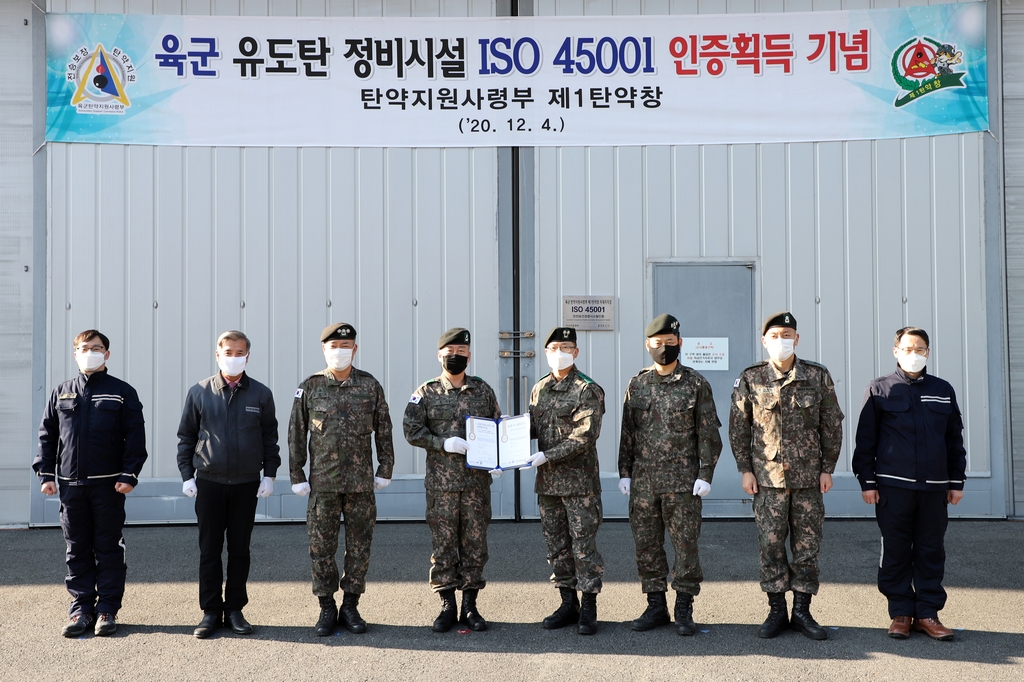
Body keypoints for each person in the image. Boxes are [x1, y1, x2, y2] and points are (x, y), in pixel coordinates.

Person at [729, 312, 844, 640]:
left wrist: (828, 468)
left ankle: (803, 611)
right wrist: (745, 470)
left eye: (788, 334)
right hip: (767, 480)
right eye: (775, 335)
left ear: (797, 339)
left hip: (809, 479)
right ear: (764, 340)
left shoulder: (816, 376)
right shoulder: (751, 378)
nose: (782, 340)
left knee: (807, 546)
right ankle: (777, 609)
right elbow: (740, 427)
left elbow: (831, 424)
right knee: (771, 545)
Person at [852, 327, 966, 641]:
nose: (913, 353)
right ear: (896, 351)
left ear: (927, 352)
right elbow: (866, 441)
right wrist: (867, 481)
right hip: (893, 487)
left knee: (931, 551)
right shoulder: (880, 390)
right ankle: (901, 612)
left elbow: (954, 439)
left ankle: (928, 614)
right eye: (907, 348)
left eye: (920, 348)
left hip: (934, 489)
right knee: (896, 550)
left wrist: (957, 481)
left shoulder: (942, 390)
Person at [34, 330, 148, 637]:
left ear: (107, 354)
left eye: (97, 348)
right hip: (71, 486)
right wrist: (45, 474)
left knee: (108, 547)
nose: (90, 352)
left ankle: (107, 609)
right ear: (75, 353)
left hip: (108, 486)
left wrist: (129, 474)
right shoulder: (62, 393)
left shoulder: (122, 392)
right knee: (77, 548)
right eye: (85, 348)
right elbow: (48, 436)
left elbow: (135, 438)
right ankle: (81, 609)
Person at [618, 314, 722, 636]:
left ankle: (684, 607)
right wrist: (625, 472)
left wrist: (706, 473)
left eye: (670, 342)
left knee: (685, 546)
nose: (664, 348)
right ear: (647, 345)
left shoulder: (695, 384)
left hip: (683, 484)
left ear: (680, 343)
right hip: (645, 484)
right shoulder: (637, 384)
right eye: (657, 343)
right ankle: (655, 605)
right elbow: (628, 433)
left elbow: (708, 434)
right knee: (646, 546)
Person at [288, 323, 395, 637]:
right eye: (334, 345)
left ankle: (350, 604)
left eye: (346, 345)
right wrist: (297, 474)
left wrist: (385, 468)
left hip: (361, 485)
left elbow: (384, 429)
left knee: (359, 549)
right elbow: (296, 433)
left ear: (355, 349)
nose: (340, 350)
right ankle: (326, 606)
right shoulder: (309, 387)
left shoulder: (370, 385)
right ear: (324, 349)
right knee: (321, 549)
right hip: (323, 485)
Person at [177, 330, 280, 639]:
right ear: (217, 354)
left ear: (247, 357)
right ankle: (210, 611)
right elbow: (187, 436)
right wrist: (186, 475)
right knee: (209, 550)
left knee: (239, 550)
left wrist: (270, 474)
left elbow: (269, 437)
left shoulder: (260, 394)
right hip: (209, 483)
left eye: (239, 353)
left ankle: (234, 609)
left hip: (246, 484)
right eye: (228, 352)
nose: (233, 358)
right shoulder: (199, 392)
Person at [403, 327, 501, 632]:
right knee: (443, 546)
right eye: (450, 352)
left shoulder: (483, 391)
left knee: (475, 546)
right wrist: (443, 443)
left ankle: (470, 606)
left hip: (475, 485)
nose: (455, 357)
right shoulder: (426, 392)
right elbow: (411, 430)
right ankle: (447, 605)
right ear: (439, 355)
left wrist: (500, 457)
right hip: (441, 486)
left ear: (469, 355)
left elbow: (497, 427)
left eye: (461, 352)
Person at [527, 326, 606, 636]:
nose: (559, 352)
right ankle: (567, 603)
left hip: (579, 485)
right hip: (548, 485)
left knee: (583, 548)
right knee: (557, 547)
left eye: (565, 347)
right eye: (553, 348)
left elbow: (585, 436)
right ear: (546, 353)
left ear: (576, 352)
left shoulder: (588, 389)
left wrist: (549, 455)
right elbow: (531, 429)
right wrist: (501, 439)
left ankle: (589, 607)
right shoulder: (539, 389)